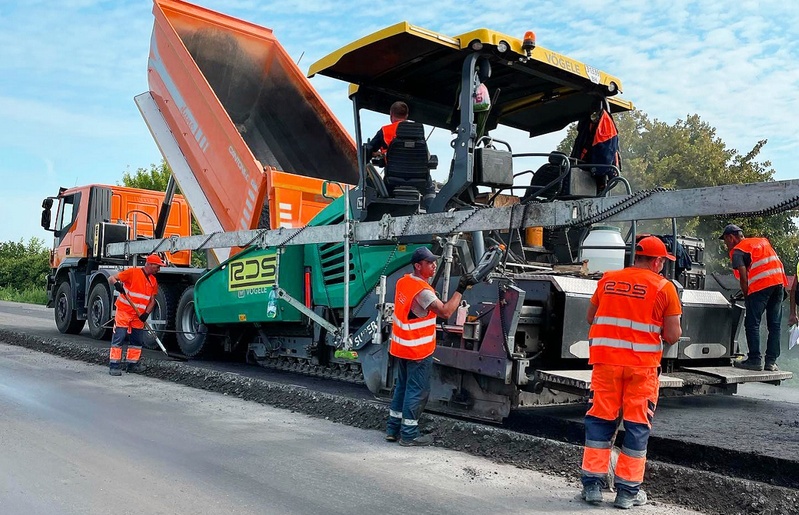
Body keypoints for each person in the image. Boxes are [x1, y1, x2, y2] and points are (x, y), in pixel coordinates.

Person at [580, 236, 682, 509]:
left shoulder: (608, 280)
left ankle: (592, 486)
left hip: (605, 364)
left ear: (636, 257)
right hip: (641, 368)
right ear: (658, 261)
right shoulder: (664, 287)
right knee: (636, 427)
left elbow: (591, 317)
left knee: (600, 421)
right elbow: (672, 335)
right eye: (663, 262)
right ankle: (627, 492)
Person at [386, 247, 477, 446]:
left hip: (402, 346)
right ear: (418, 266)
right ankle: (409, 435)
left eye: (434, 261)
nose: (434, 265)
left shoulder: (404, 282)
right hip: (417, 349)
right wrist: (461, 288)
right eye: (429, 263)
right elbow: (445, 312)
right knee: (417, 390)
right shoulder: (423, 292)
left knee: (402, 387)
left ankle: (393, 430)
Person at [720, 224, 787, 371]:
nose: (726, 245)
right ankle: (771, 362)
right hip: (779, 284)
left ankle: (754, 360)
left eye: (726, 241)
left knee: (752, 323)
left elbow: (744, 278)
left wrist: (747, 295)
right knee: (774, 325)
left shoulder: (738, 250)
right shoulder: (761, 241)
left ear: (731, 237)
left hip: (761, 286)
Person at [108, 254, 165, 376]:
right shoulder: (132, 273)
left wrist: (146, 313)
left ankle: (132, 365)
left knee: (137, 341)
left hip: (139, 316)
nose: (158, 269)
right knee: (119, 337)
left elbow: (152, 301)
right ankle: (114, 366)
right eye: (157, 266)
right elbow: (111, 278)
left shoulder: (153, 281)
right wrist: (117, 285)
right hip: (124, 311)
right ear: (149, 264)